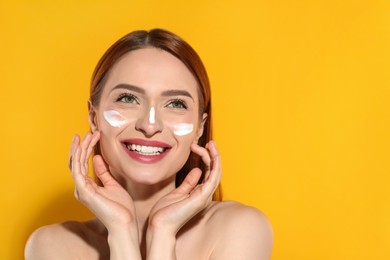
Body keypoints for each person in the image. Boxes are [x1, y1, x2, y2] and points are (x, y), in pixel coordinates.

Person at [25, 28, 273, 259]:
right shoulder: (53, 246)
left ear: (199, 127)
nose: (150, 125)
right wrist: (121, 231)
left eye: (176, 104)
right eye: (128, 98)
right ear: (93, 117)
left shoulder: (240, 230)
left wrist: (162, 232)